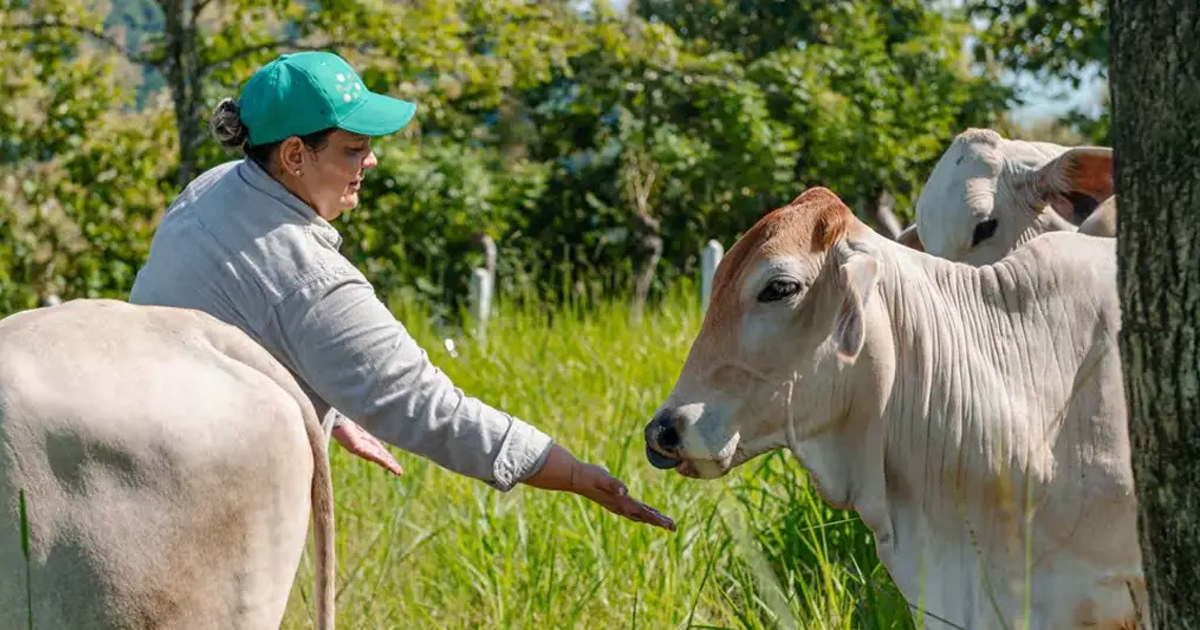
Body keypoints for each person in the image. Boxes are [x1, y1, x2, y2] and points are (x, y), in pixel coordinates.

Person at [127, 51, 674, 532]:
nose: (371, 161)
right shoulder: (309, 275)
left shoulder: (210, 190)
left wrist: (335, 412)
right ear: (294, 155)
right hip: (205, 495)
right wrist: (577, 475)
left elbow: (233, 316)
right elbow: (425, 404)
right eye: (353, 149)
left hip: (136, 441)